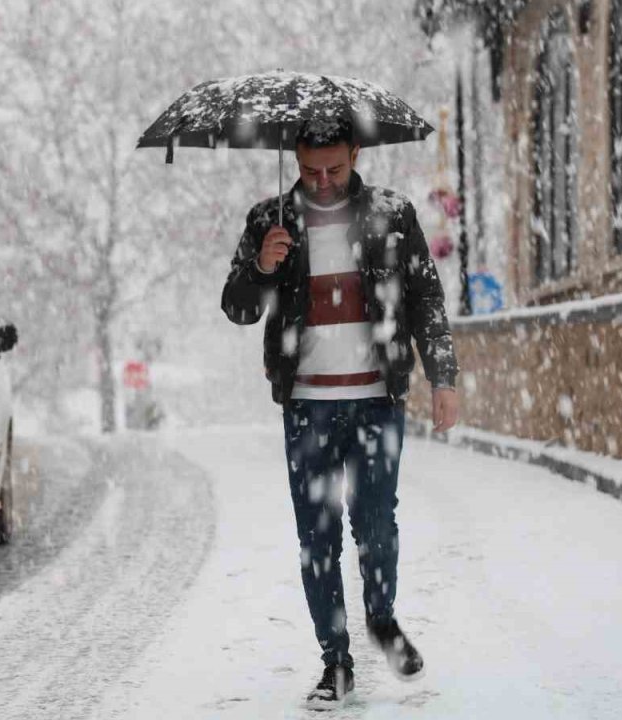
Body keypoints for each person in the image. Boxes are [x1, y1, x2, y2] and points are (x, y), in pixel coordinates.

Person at [220, 118, 460, 711]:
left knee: (376, 525)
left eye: (335, 168)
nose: (322, 182)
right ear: (294, 160)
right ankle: (336, 661)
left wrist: (444, 376)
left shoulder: (392, 213)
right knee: (317, 537)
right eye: (309, 171)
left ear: (356, 153)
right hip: (306, 406)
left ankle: (381, 617)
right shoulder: (268, 221)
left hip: (378, 399)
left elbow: (426, 295)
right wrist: (262, 269)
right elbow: (237, 307)